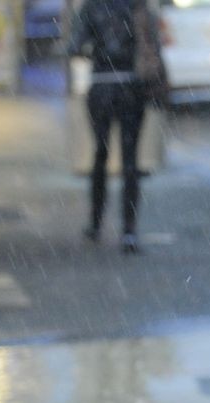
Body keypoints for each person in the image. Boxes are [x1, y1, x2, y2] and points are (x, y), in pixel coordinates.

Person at [68, 0, 164, 254]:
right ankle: (129, 231)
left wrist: (94, 50)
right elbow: (153, 45)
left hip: (101, 86)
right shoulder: (138, 6)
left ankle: (95, 222)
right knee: (130, 160)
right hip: (132, 87)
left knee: (100, 154)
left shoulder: (91, 7)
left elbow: (74, 47)